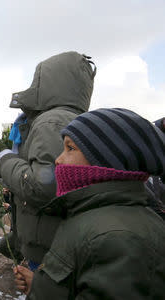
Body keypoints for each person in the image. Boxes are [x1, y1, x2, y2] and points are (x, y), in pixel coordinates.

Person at [14, 108, 165, 299]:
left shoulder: (117, 238)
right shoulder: (93, 215)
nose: (58, 160)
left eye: (70, 148)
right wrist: (38, 286)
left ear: (107, 158)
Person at [0, 51, 96, 270]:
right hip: (59, 239)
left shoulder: (51, 121)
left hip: (48, 247)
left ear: (48, 83)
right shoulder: (74, 119)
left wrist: (3, 162)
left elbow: (44, 185)